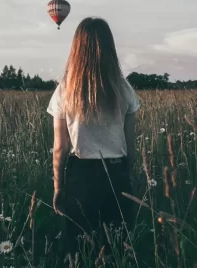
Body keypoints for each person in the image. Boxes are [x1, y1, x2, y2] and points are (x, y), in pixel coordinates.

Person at [46, 17, 140, 257]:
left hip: (81, 176)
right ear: (110, 47)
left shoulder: (65, 89)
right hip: (116, 174)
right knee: (117, 250)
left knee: (79, 250)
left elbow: (60, 148)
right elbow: (131, 145)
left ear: (77, 47)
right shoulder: (124, 88)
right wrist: (128, 177)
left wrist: (58, 187)